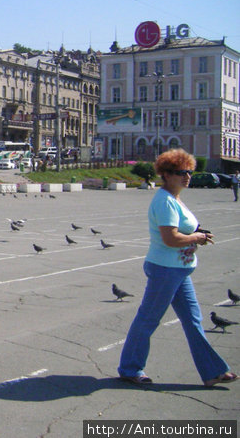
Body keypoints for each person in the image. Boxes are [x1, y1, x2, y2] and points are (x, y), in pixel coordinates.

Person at [117, 149, 236, 387]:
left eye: (189, 172)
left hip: (178, 270)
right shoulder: (164, 201)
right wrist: (197, 238)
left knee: (193, 320)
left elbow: (182, 233)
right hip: (165, 269)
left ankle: (213, 371)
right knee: (148, 319)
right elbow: (170, 239)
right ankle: (130, 368)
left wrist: (196, 236)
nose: (187, 176)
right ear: (166, 174)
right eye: (180, 172)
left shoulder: (175, 199)